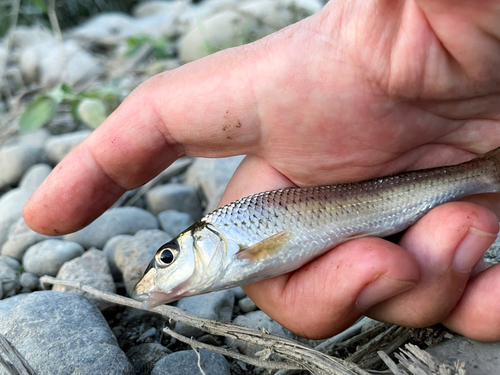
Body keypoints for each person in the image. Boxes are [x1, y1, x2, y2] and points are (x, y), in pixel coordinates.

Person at [23, 0, 500, 341]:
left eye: (167, 259)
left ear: (206, 244)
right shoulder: (232, 248)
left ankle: (484, 173)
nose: (159, 271)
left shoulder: (237, 243)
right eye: (164, 260)